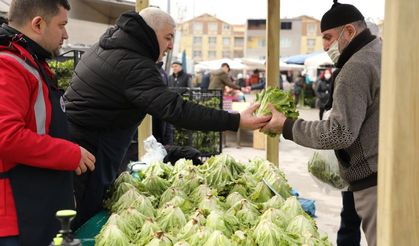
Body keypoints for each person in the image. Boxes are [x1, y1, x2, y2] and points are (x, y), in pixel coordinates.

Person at [64, 7, 270, 229]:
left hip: (84, 146)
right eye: (168, 37)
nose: (171, 45)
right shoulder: (132, 63)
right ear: (150, 33)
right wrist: (235, 120)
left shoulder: (108, 47)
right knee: (84, 221)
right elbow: (175, 110)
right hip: (91, 154)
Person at [261, 1, 381, 245]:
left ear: (349, 31)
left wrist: (287, 125)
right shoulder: (380, 51)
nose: (325, 46)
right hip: (392, 170)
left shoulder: (355, 67)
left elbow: (339, 133)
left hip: (373, 180)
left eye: (328, 37)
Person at [0, 1, 96, 245]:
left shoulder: (29, 62)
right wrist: (69, 153)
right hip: (18, 219)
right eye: (62, 25)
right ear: (38, 24)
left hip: (36, 210)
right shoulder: (8, 65)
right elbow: (6, 136)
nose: (66, 34)